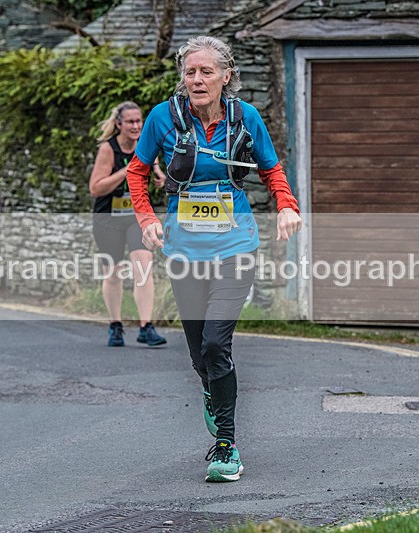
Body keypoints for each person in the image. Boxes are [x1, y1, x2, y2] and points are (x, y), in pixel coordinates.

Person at [126, 36, 302, 482]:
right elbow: (137, 172)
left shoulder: (247, 118)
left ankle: (226, 445)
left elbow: (270, 168)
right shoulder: (163, 118)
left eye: (207, 72)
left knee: (214, 344)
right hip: (183, 250)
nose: (197, 80)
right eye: (190, 72)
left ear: (227, 76)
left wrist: (286, 204)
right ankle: (210, 389)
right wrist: (147, 219)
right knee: (197, 352)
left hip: (234, 248)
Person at [89, 101, 167, 348]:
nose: (136, 126)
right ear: (119, 124)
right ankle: (115, 325)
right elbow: (95, 188)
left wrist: (159, 175)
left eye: (139, 121)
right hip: (108, 218)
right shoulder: (108, 149)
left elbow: (154, 166)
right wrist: (127, 171)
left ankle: (146, 326)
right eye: (130, 122)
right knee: (113, 274)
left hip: (136, 216)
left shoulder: (145, 144)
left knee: (144, 265)